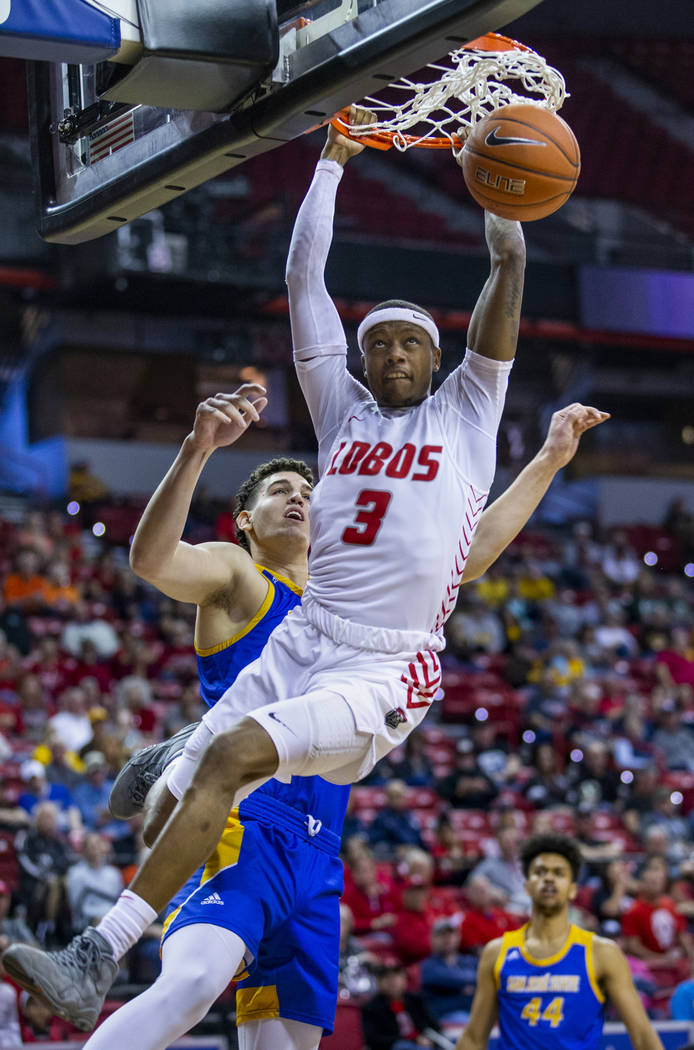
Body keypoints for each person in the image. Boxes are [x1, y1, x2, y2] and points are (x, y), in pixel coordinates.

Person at [3, 103, 608, 1030]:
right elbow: (302, 278)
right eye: (376, 345)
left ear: (439, 357)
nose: (390, 353)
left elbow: (509, 265)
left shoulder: (468, 412)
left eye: (408, 342)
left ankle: (98, 953)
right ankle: (120, 897)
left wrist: (492, 172)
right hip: (309, 632)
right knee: (172, 801)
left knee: (233, 755)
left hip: (385, 660)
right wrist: (329, 161)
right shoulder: (344, 417)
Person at [454, 833, 665, 1050]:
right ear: (526, 886)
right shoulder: (497, 953)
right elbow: (473, 1039)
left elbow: (642, 1036)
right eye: (539, 872)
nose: (548, 878)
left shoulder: (601, 953)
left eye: (558, 873)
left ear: (573, 888)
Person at [361, 957, 441, 1050]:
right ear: (378, 982)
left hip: (424, 1044)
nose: (392, 980)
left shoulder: (416, 1000)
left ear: (404, 978)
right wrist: (413, 1040)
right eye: (386, 976)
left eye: (396, 975)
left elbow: (434, 1026)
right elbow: (373, 1039)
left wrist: (429, 1039)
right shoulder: (370, 1008)